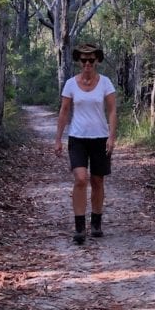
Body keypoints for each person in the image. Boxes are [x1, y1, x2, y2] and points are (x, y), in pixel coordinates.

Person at [54, 42, 117, 245]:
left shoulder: (106, 83)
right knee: (81, 179)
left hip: (100, 137)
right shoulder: (71, 84)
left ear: (97, 60)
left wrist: (112, 136)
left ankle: (96, 222)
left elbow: (112, 111)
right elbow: (64, 111)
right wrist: (58, 139)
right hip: (78, 138)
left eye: (91, 60)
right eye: (83, 60)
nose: (87, 63)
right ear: (79, 62)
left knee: (98, 181)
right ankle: (79, 227)